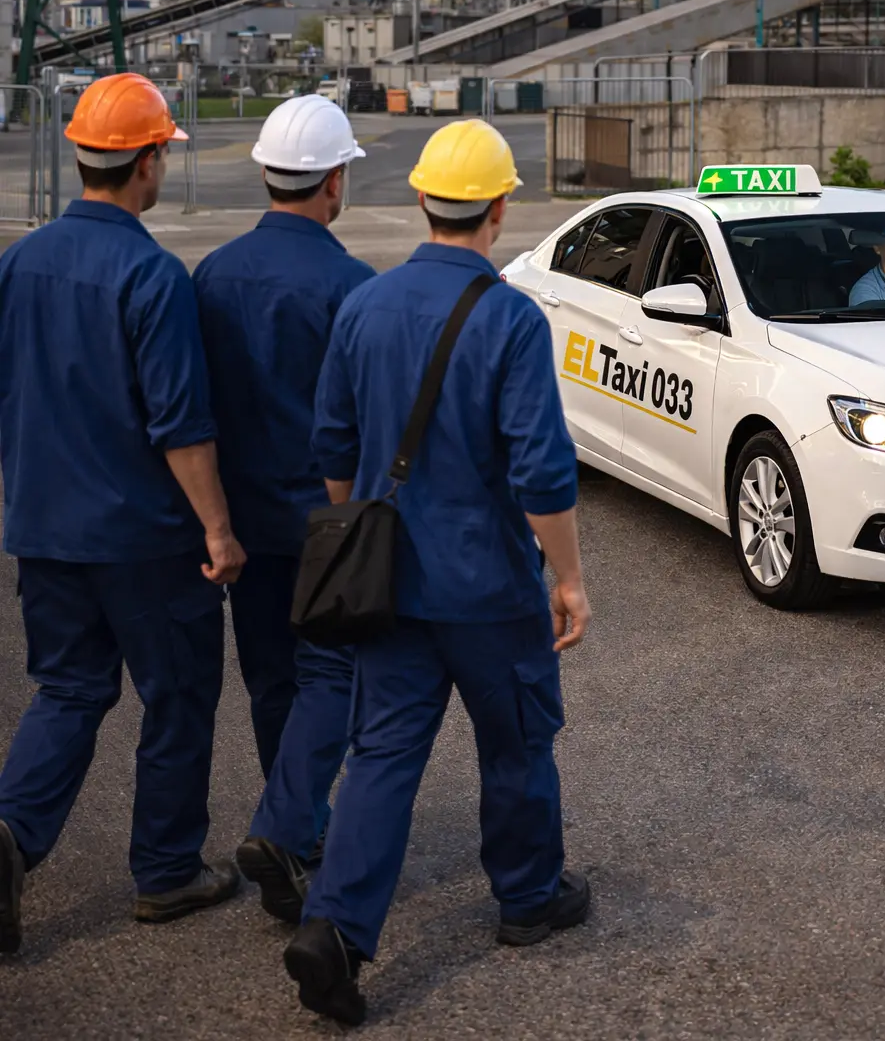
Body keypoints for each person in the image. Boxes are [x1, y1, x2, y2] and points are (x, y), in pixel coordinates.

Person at [281, 118, 592, 1029]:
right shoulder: (508, 317)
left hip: (389, 586)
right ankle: (529, 899)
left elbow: (333, 448)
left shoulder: (365, 306)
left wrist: (370, 516)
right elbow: (541, 473)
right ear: (500, 209)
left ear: (421, 199)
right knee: (518, 742)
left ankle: (334, 929)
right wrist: (567, 579)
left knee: (381, 754)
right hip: (490, 587)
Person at [0, 73, 246, 955]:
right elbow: (181, 426)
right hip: (145, 540)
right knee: (178, 696)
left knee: (68, 689)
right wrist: (218, 530)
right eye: (160, 155)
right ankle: (167, 870)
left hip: (46, 527)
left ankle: (12, 838)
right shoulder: (152, 275)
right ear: (143, 161)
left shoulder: (20, 261)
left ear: (78, 155)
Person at [192, 96, 374, 919]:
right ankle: (292, 826)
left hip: (244, 520)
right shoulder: (353, 286)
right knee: (334, 675)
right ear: (333, 181)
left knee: (270, 679)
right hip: (327, 523)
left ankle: (292, 823)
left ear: (268, 172)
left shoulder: (213, 274)